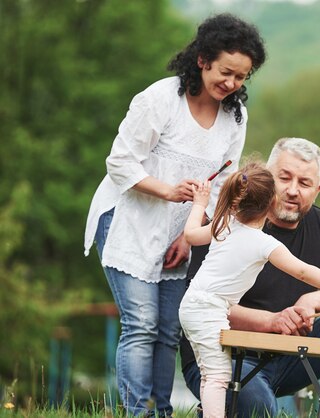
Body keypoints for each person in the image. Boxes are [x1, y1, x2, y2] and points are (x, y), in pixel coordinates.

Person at [83, 13, 266, 417]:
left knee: (168, 330)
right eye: (226, 72)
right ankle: (138, 413)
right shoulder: (159, 100)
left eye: (241, 77)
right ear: (202, 60)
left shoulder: (235, 117)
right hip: (127, 220)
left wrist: (190, 234)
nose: (232, 84)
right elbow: (120, 163)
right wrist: (167, 190)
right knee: (142, 324)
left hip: (179, 229)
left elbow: (222, 183)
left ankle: (161, 412)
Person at [180, 137, 320, 417]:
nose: (292, 190)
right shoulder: (229, 222)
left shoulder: (319, 223)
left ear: (317, 190)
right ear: (264, 180)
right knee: (258, 405)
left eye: (304, 183)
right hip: (229, 354)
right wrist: (271, 322)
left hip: (289, 356)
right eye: (284, 178)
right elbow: (203, 305)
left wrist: (311, 300)